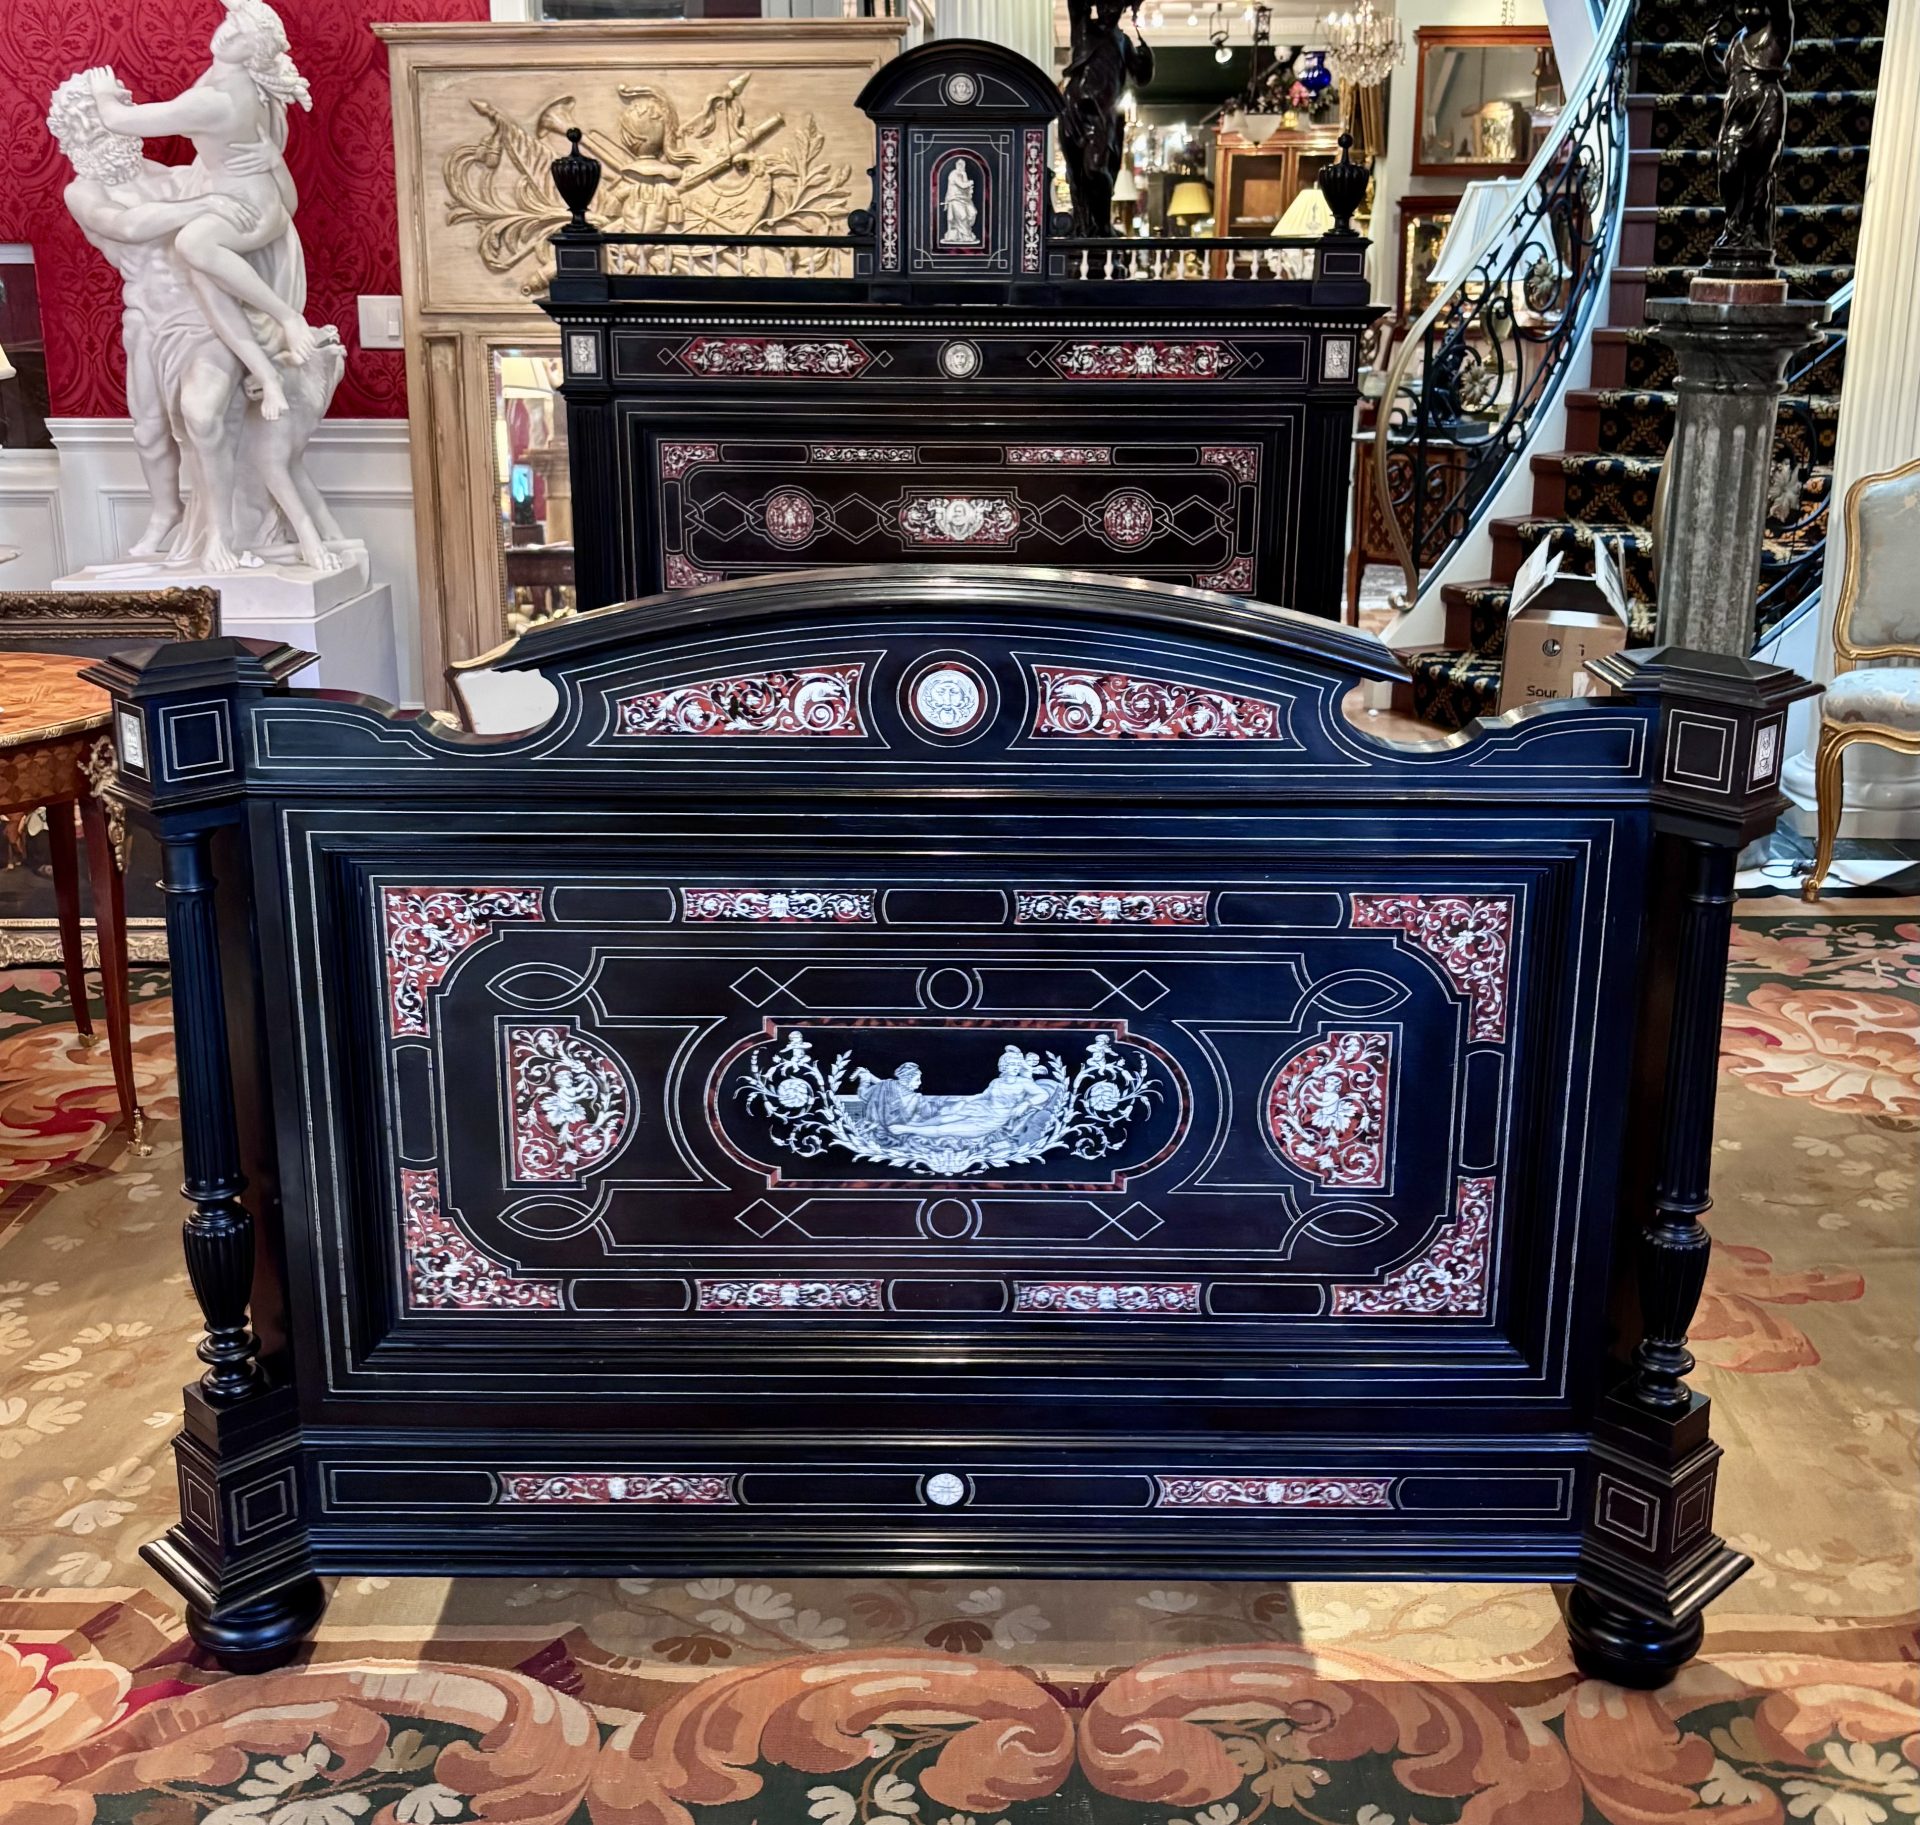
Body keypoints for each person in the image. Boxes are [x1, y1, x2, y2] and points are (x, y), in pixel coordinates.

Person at [85, 0, 317, 421]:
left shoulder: (217, 100)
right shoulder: (244, 75)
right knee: (207, 285)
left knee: (193, 243)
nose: (228, 32)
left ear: (254, 50)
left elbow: (122, 121)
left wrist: (103, 98)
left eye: (242, 33)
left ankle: (286, 318)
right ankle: (267, 377)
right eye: (231, 20)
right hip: (251, 198)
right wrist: (272, 159)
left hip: (248, 211)